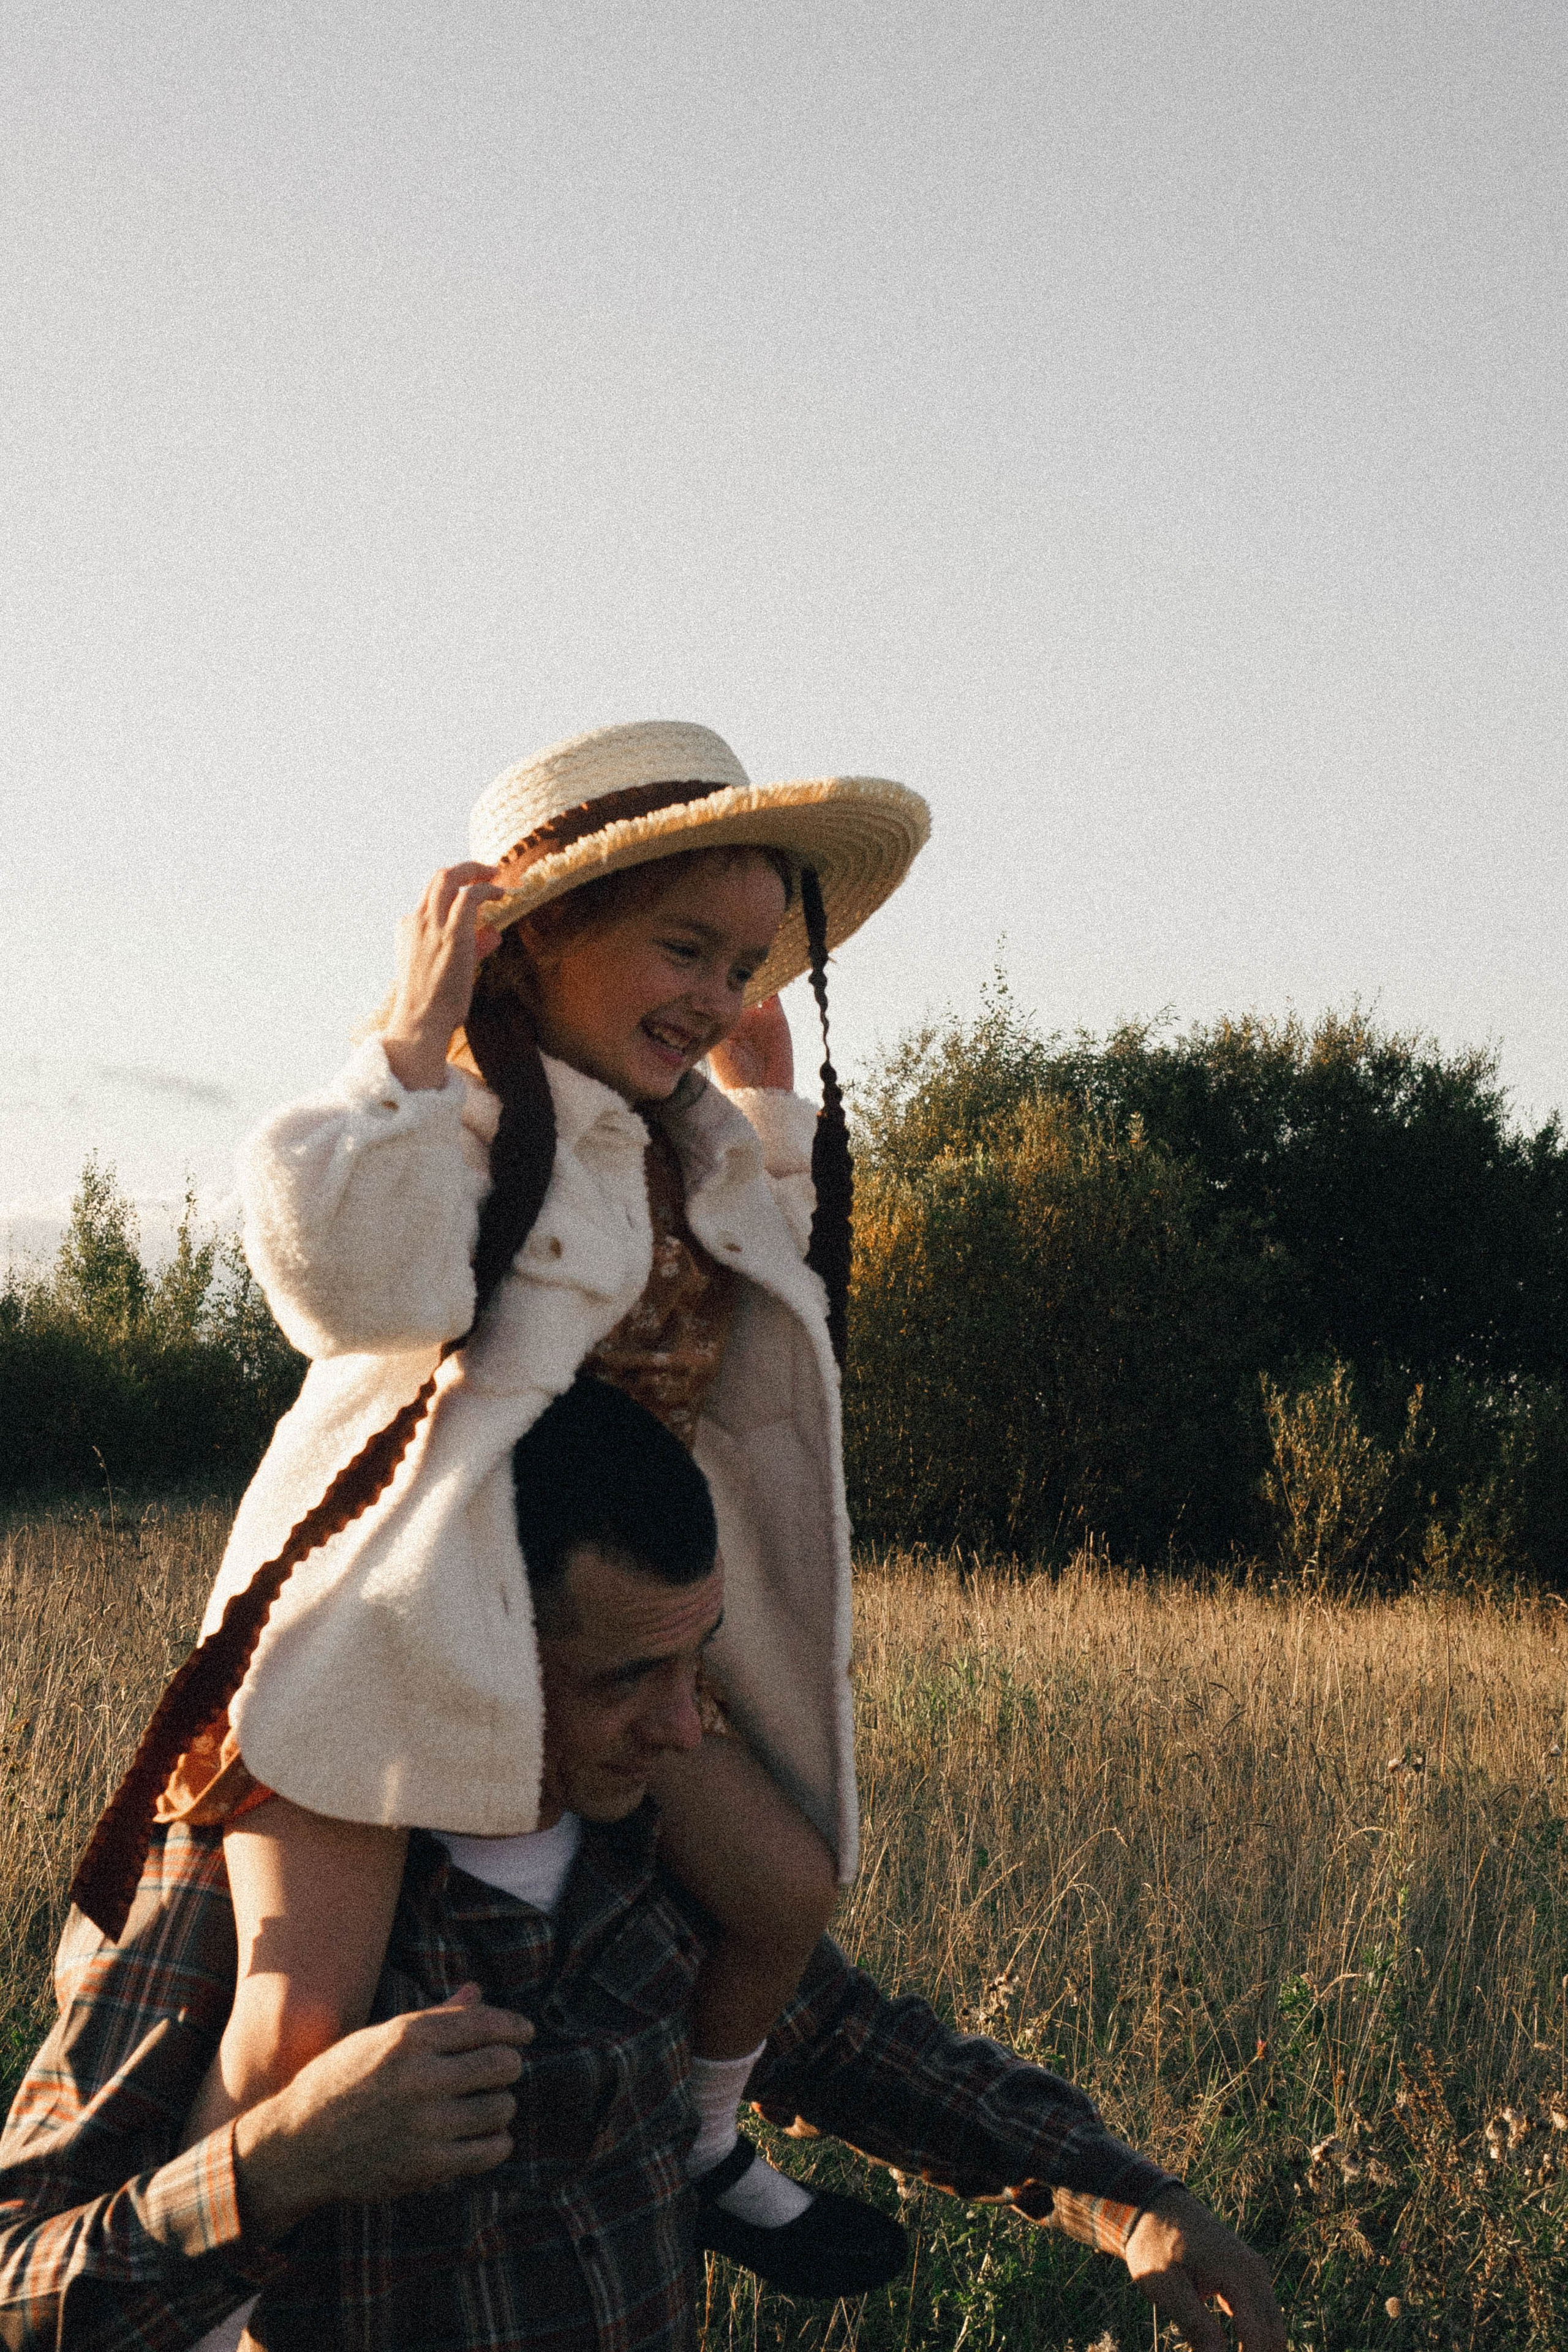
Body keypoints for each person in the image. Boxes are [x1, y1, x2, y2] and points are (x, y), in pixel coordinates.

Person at [65, 719, 932, 2296]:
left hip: (587, 1635)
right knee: (298, 2023)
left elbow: (777, 1296)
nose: (717, 994)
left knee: (786, 1888)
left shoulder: (685, 1146)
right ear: (532, 944)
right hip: (386, 1624)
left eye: (745, 963)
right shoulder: (471, 1119)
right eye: (682, 947)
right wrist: (404, 1047)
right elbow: (347, 1285)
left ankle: (702, 2141)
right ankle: (202, 2302)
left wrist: (770, 1117)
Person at [1, 1378, 1286, 2351]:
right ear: (475, 1654)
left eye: (695, 1663)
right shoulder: (252, 1886)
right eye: (625, 1678)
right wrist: (281, 2162)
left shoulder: (655, 1846)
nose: (684, 1726)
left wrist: (1132, 2203)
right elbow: (20, 2286)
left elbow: (845, 2044)